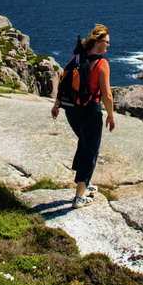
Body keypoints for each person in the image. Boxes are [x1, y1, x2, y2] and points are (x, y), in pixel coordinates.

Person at [51, 23, 115, 209]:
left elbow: (64, 80)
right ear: (97, 42)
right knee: (90, 150)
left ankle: (85, 181)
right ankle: (79, 197)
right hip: (90, 110)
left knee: (84, 141)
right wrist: (111, 116)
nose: (108, 45)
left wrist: (57, 104)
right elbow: (107, 94)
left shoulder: (78, 57)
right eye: (106, 42)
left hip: (72, 109)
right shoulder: (102, 64)